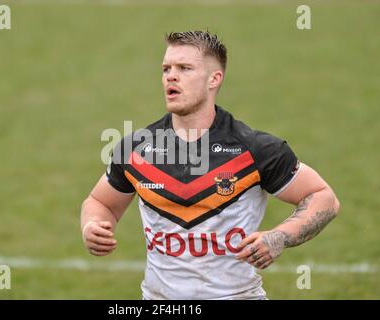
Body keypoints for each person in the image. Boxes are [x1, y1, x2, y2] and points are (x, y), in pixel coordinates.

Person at [80, 31, 340, 300]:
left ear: (214, 79)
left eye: (184, 68)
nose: (171, 76)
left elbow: (324, 198)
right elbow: (101, 202)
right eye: (166, 69)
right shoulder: (136, 150)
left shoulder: (255, 149)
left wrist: (280, 237)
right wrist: (93, 225)